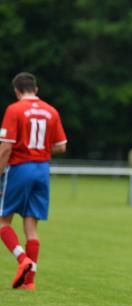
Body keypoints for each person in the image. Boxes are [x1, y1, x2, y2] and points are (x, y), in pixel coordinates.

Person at [0, 72, 67, 290]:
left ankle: (22, 260)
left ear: (17, 91)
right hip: (42, 170)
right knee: (31, 226)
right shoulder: (51, 111)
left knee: (3, 222)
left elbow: (6, 147)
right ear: (36, 89)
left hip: (21, 167)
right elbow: (61, 146)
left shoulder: (14, 109)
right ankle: (29, 282)